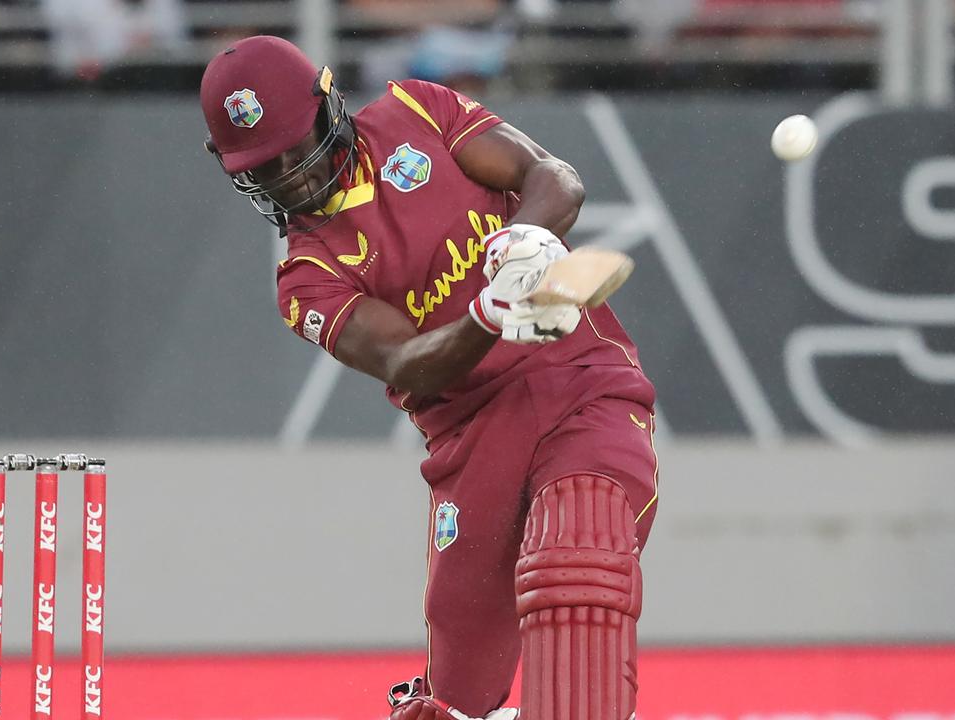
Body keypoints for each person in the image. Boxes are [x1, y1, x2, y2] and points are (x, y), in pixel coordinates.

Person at [200, 35, 659, 720]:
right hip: (471, 446)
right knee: (453, 704)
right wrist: (491, 311)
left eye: (300, 149)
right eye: (269, 169)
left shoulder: (418, 108)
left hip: (579, 389)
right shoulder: (306, 277)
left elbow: (555, 181)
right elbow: (409, 361)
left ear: (331, 104)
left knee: (576, 570)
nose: (294, 178)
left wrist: (524, 243)